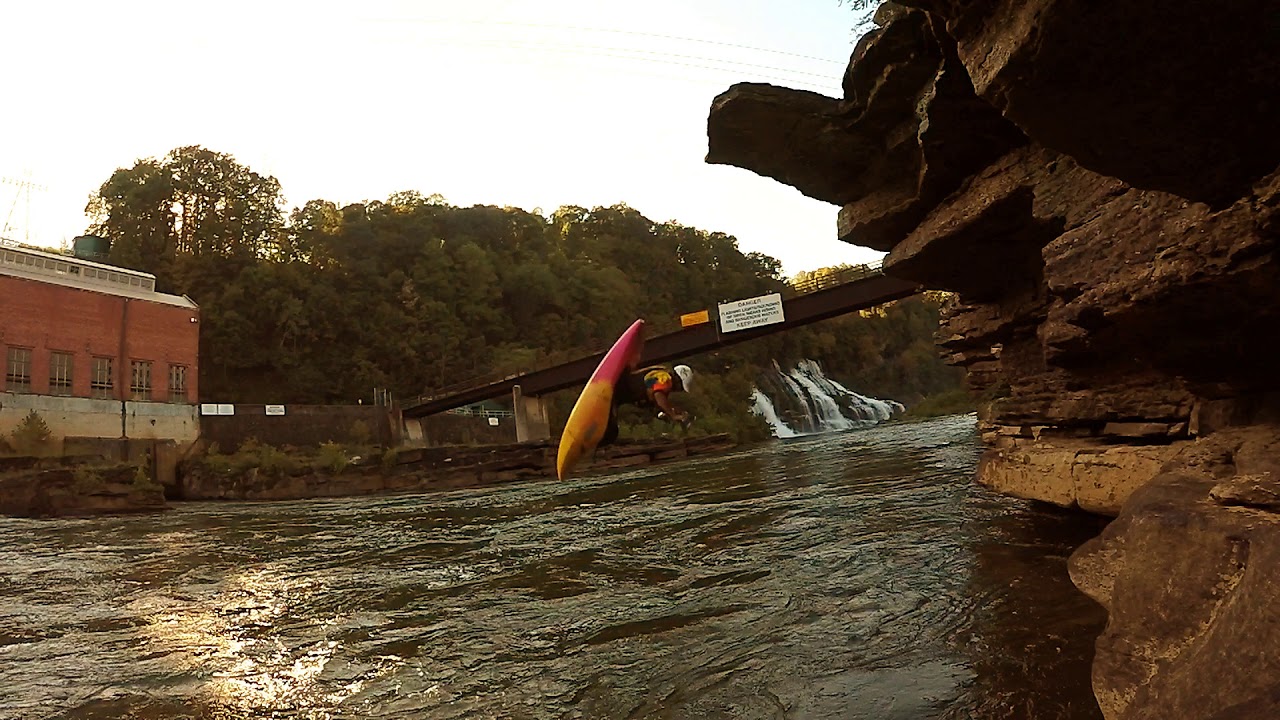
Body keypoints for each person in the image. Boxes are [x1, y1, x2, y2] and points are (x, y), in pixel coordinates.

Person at [600, 364, 694, 446]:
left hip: (617, 396)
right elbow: (659, 399)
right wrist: (673, 415)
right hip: (612, 390)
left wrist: (673, 412)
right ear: (678, 380)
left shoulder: (661, 381)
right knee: (608, 428)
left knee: (611, 431)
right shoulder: (664, 377)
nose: (678, 390)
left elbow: (659, 402)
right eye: (680, 387)